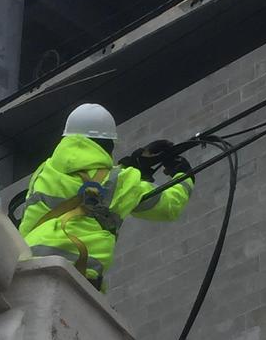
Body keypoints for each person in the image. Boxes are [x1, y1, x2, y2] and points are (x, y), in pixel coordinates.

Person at [19, 103, 194, 291]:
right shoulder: (119, 182)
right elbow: (168, 206)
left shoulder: (44, 171)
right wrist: (184, 176)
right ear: (108, 145)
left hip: (25, 268)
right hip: (74, 278)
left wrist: (134, 166)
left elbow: (87, 182)